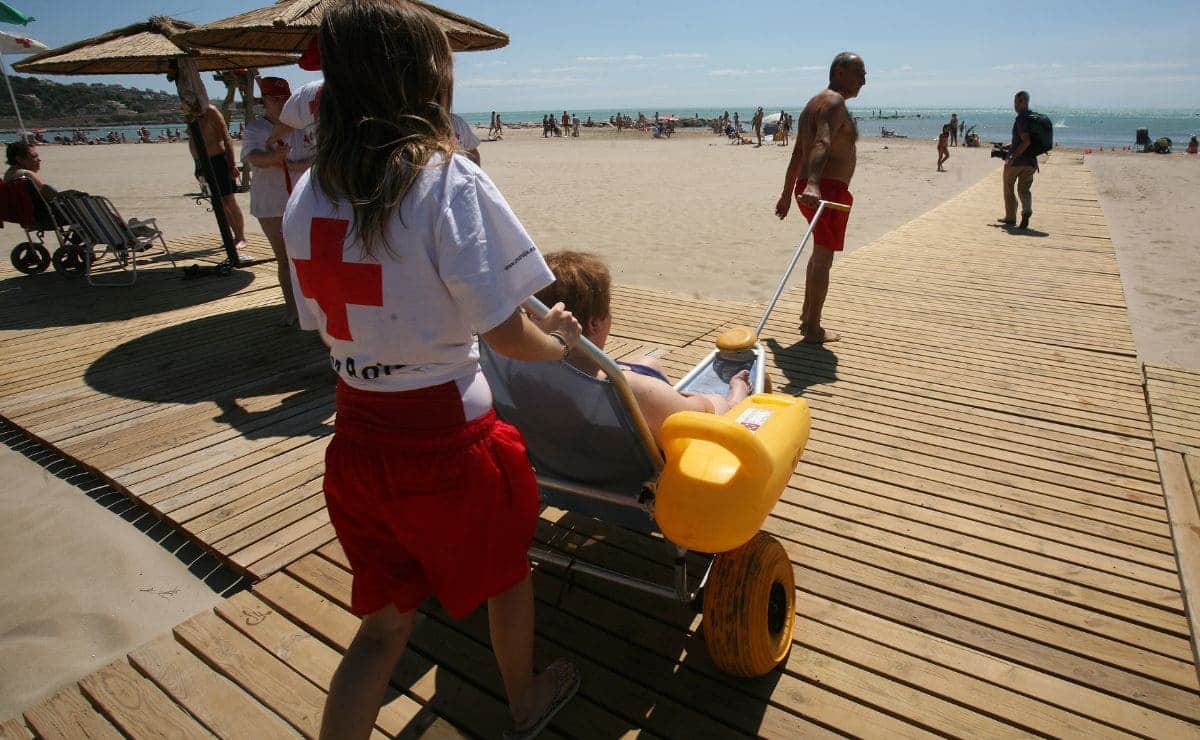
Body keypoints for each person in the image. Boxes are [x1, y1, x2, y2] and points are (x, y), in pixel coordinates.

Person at [280, 2, 582, 738]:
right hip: (451, 446)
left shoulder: (305, 194)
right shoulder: (447, 181)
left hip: (354, 440)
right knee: (506, 577)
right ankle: (526, 700)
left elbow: (324, 321)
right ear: (427, 78)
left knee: (383, 628)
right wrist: (562, 345)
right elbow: (507, 333)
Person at [535, 251, 751, 443]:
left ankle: (667, 394)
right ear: (594, 324)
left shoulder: (519, 372)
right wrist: (731, 397)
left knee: (648, 363)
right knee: (711, 402)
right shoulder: (625, 388)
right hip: (625, 479)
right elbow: (707, 418)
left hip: (560, 465)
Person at [774, 51, 866, 345]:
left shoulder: (812, 105)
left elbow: (798, 152)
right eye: (859, 72)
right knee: (823, 257)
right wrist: (813, 184)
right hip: (825, 190)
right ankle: (813, 328)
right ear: (839, 72)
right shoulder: (834, 103)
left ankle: (807, 317)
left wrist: (788, 193)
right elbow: (821, 142)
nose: (864, 80)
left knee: (819, 254)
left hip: (812, 187)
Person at [241, 76, 312, 327]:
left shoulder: (303, 126)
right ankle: (292, 309)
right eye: (275, 98)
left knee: (309, 256)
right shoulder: (256, 129)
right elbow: (254, 159)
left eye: (285, 98)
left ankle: (314, 308)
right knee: (284, 258)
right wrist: (274, 157)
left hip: (304, 201)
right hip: (271, 204)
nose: (281, 103)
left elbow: (320, 156)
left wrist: (296, 164)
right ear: (264, 101)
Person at [188, 100, 248, 257]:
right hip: (203, 163)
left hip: (219, 160)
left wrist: (232, 164)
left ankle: (240, 237)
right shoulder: (190, 114)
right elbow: (193, 142)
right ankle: (230, 236)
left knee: (229, 200)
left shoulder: (211, 111)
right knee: (218, 203)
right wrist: (197, 165)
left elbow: (226, 138)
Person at [1000, 90, 1037, 230]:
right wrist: (1010, 145)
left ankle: (1010, 217)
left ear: (1023, 102)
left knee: (1008, 187)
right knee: (1024, 189)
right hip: (1031, 162)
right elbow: (1029, 141)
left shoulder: (1021, 118)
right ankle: (1026, 211)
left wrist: (1013, 156)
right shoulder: (1033, 118)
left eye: (1017, 101)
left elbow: (1026, 141)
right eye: (1015, 101)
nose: (1015, 105)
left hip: (1018, 162)